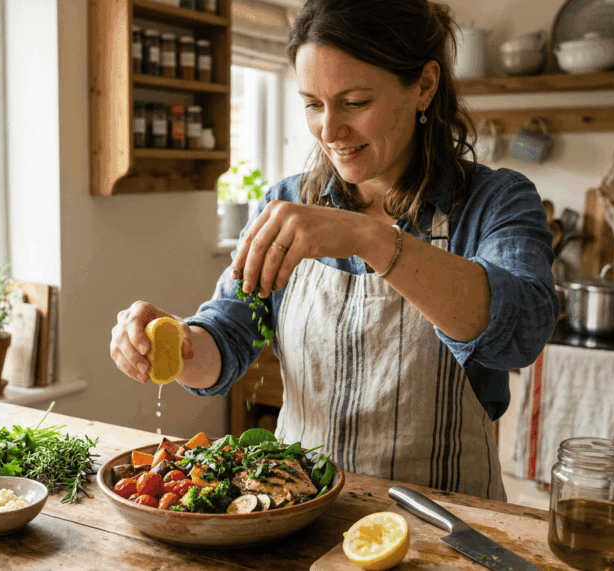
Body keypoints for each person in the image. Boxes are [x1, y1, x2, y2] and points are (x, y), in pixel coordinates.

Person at [110, 0, 558, 500]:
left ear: (425, 87)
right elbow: (231, 339)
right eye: (313, 103)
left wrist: (367, 237)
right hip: (295, 507)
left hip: (446, 520)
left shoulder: (494, 201)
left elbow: (519, 336)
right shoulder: (284, 201)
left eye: (355, 102)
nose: (328, 130)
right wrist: (175, 342)